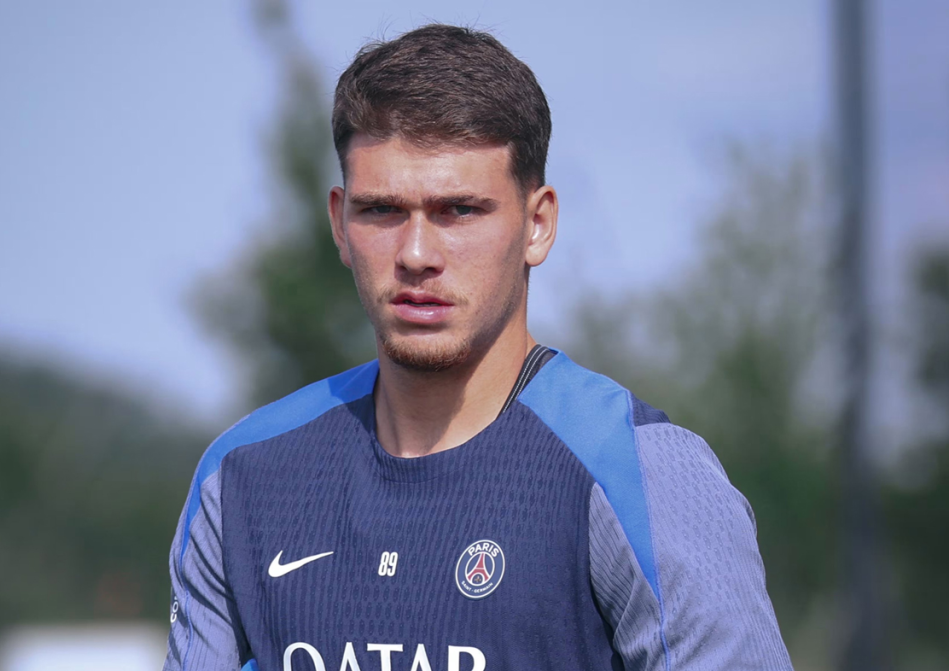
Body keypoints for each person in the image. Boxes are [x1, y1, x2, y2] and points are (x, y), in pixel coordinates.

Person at [164, 24, 793, 671]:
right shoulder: (242, 476)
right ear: (340, 223)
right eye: (381, 211)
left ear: (538, 224)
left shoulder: (639, 475)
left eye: (459, 211)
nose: (416, 253)